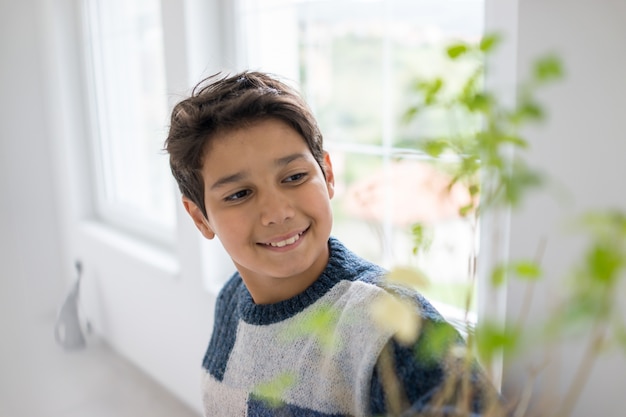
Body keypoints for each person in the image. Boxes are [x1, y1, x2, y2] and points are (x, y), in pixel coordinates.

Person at [164, 71, 499, 417]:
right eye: (239, 194)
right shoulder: (231, 299)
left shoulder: (391, 322)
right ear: (200, 218)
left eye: (294, 177)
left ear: (328, 175)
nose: (277, 213)